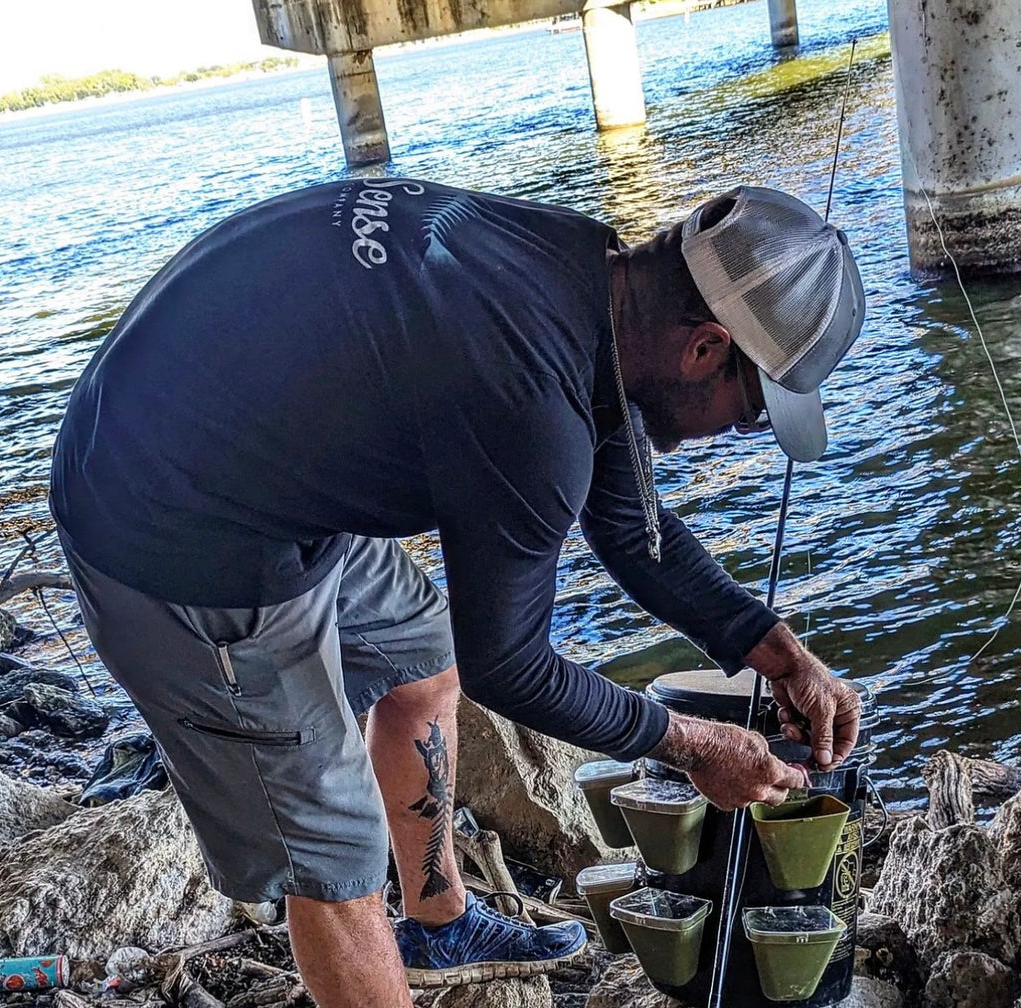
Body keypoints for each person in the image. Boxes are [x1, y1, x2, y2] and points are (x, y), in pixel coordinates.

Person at [49, 178, 866, 1008]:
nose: (737, 429)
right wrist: (693, 745)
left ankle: (438, 923)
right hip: (173, 527)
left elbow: (630, 531)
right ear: (705, 348)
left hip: (260, 454)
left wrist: (784, 657)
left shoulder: (591, 279)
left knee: (423, 661)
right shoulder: (529, 403)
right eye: (754, 410)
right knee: (334, 858)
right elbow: (509, 668)